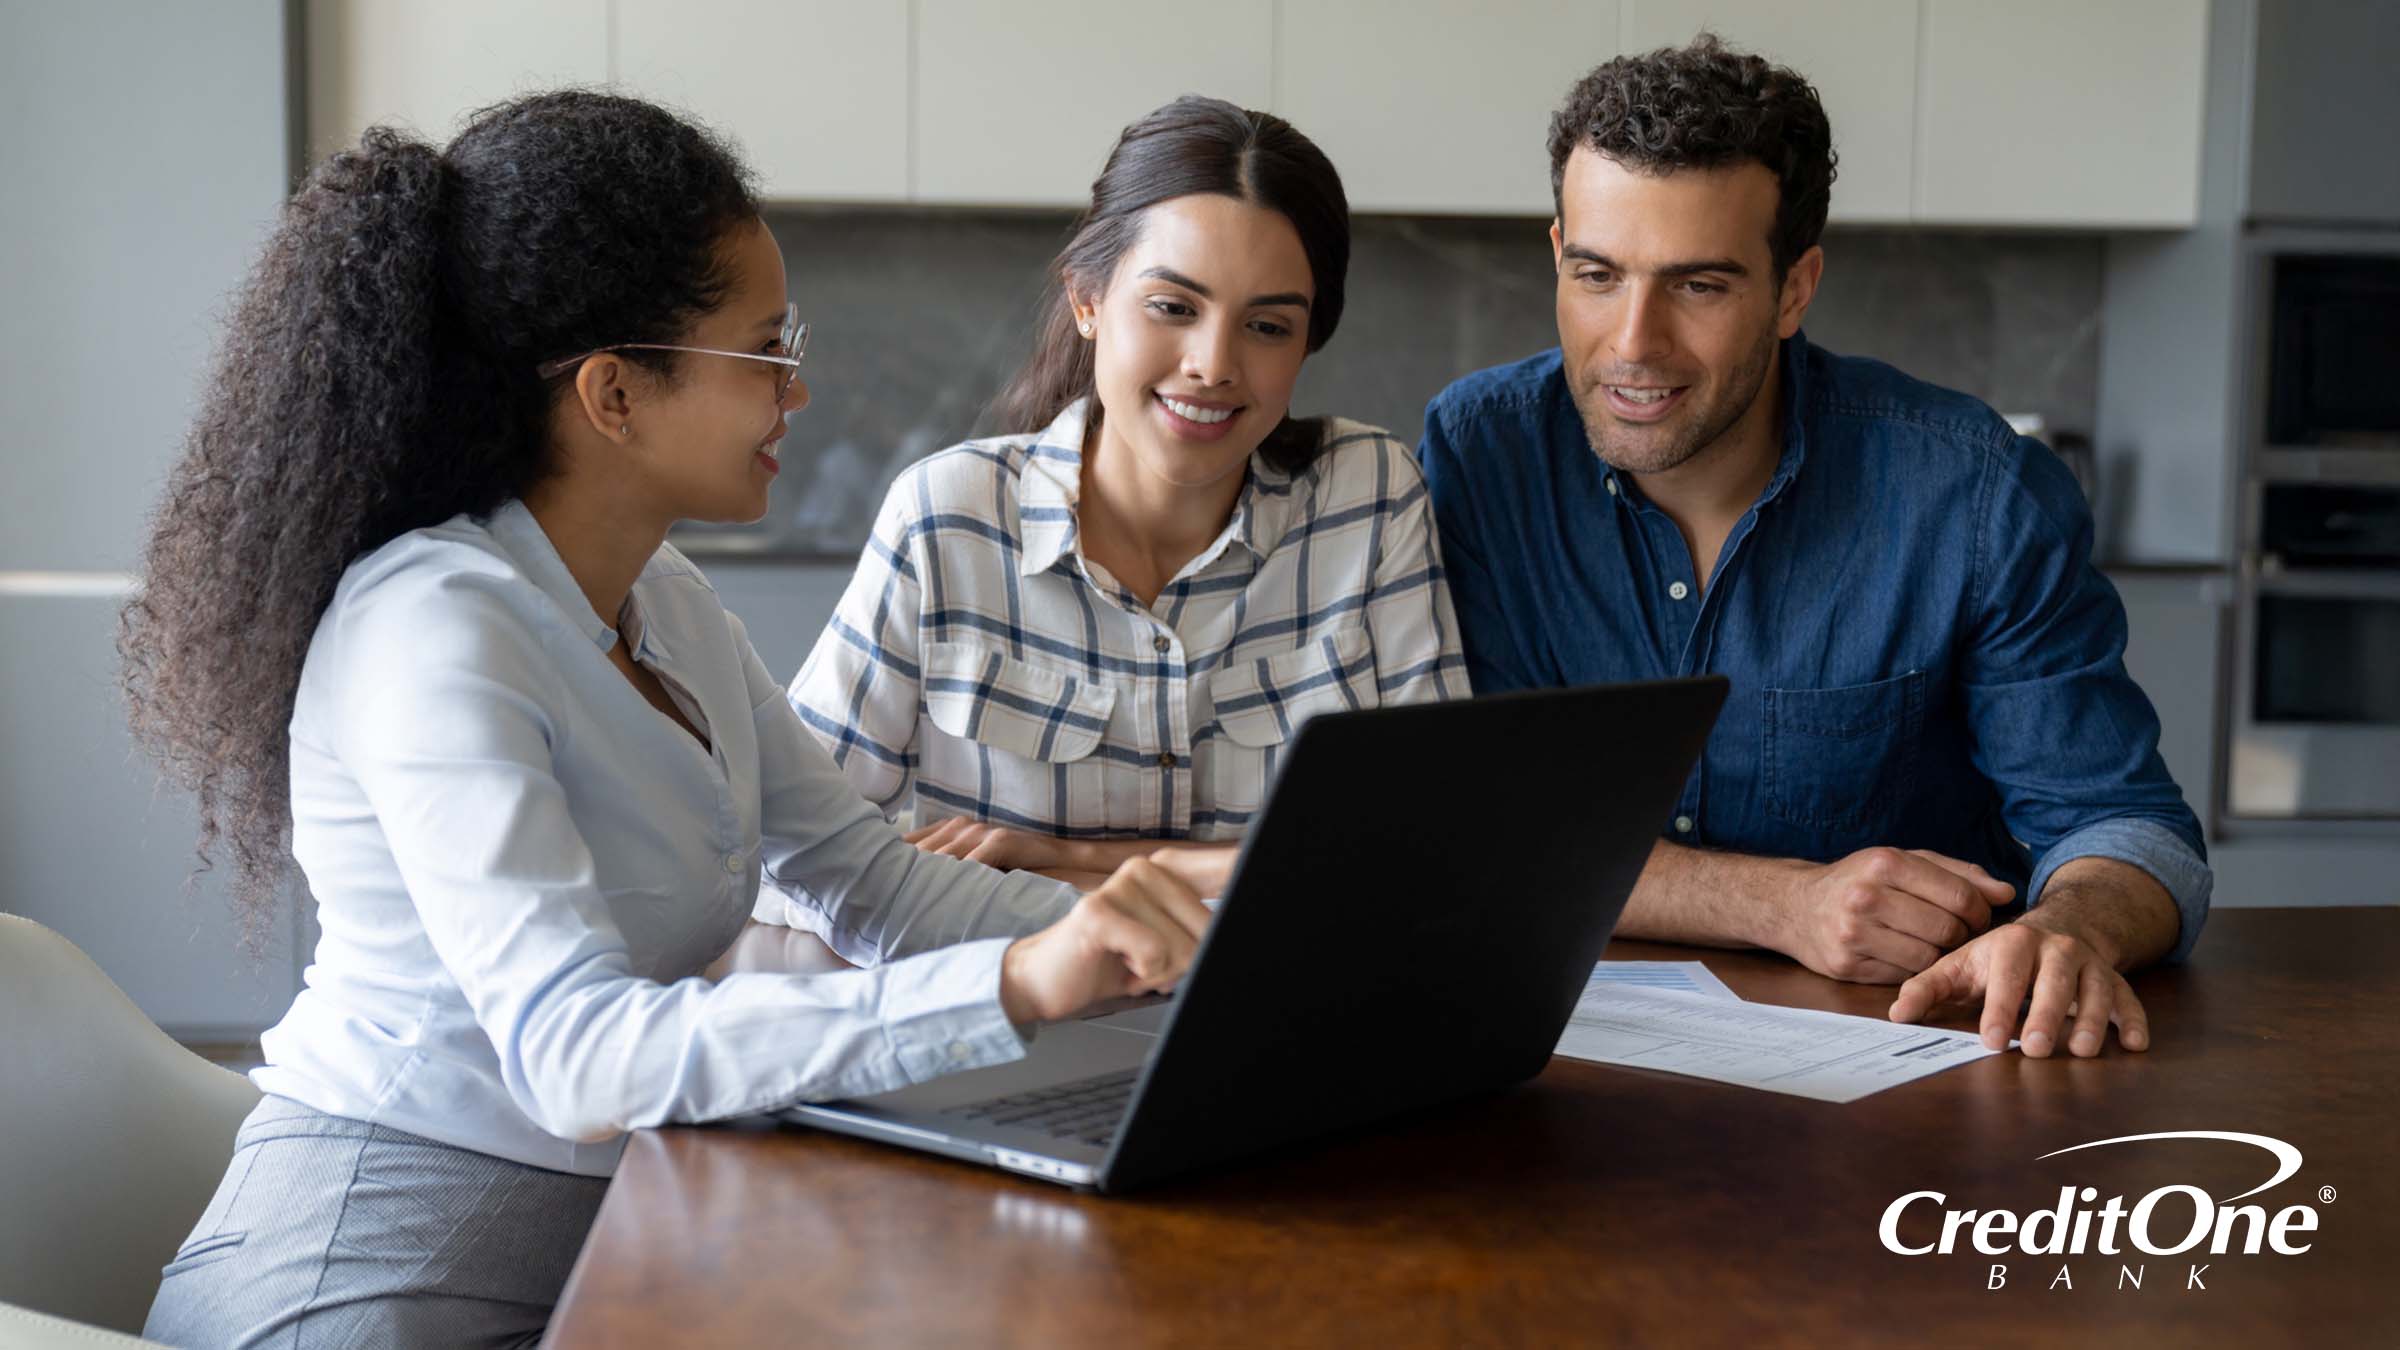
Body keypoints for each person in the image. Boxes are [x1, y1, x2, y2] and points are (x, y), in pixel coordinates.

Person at [120, 92, 1210, 1347]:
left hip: (595, 1255)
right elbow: (578, 1060)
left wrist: (1176, 956)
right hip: (361, 1283)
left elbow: (871, 883)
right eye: (767, 349)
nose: (798, 391)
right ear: (614, 394)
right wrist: (1019, 983)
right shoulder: (434, 628)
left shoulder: (663, 604)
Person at [1417, 37, 2211, 1060]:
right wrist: (1780, 903)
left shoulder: (1973, 493)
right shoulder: (1482, 455)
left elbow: (2129, 829)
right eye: (1597, 275)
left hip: (1909, 1078)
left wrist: (2069, 929)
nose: (1633, 343)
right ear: (1559, 251)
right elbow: (1482, 827)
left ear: (1795, 289)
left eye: (1699, 285)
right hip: (1559, 1073)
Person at [761, 95, 1467, 920]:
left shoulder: (1370, 499)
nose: (1213, 364)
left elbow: (1442, 845)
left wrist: (1073, 862)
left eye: (1268, 326)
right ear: (1088, 300)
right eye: (1172, 308)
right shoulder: (947, 516)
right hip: (1014, 1019)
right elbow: (785, 854)